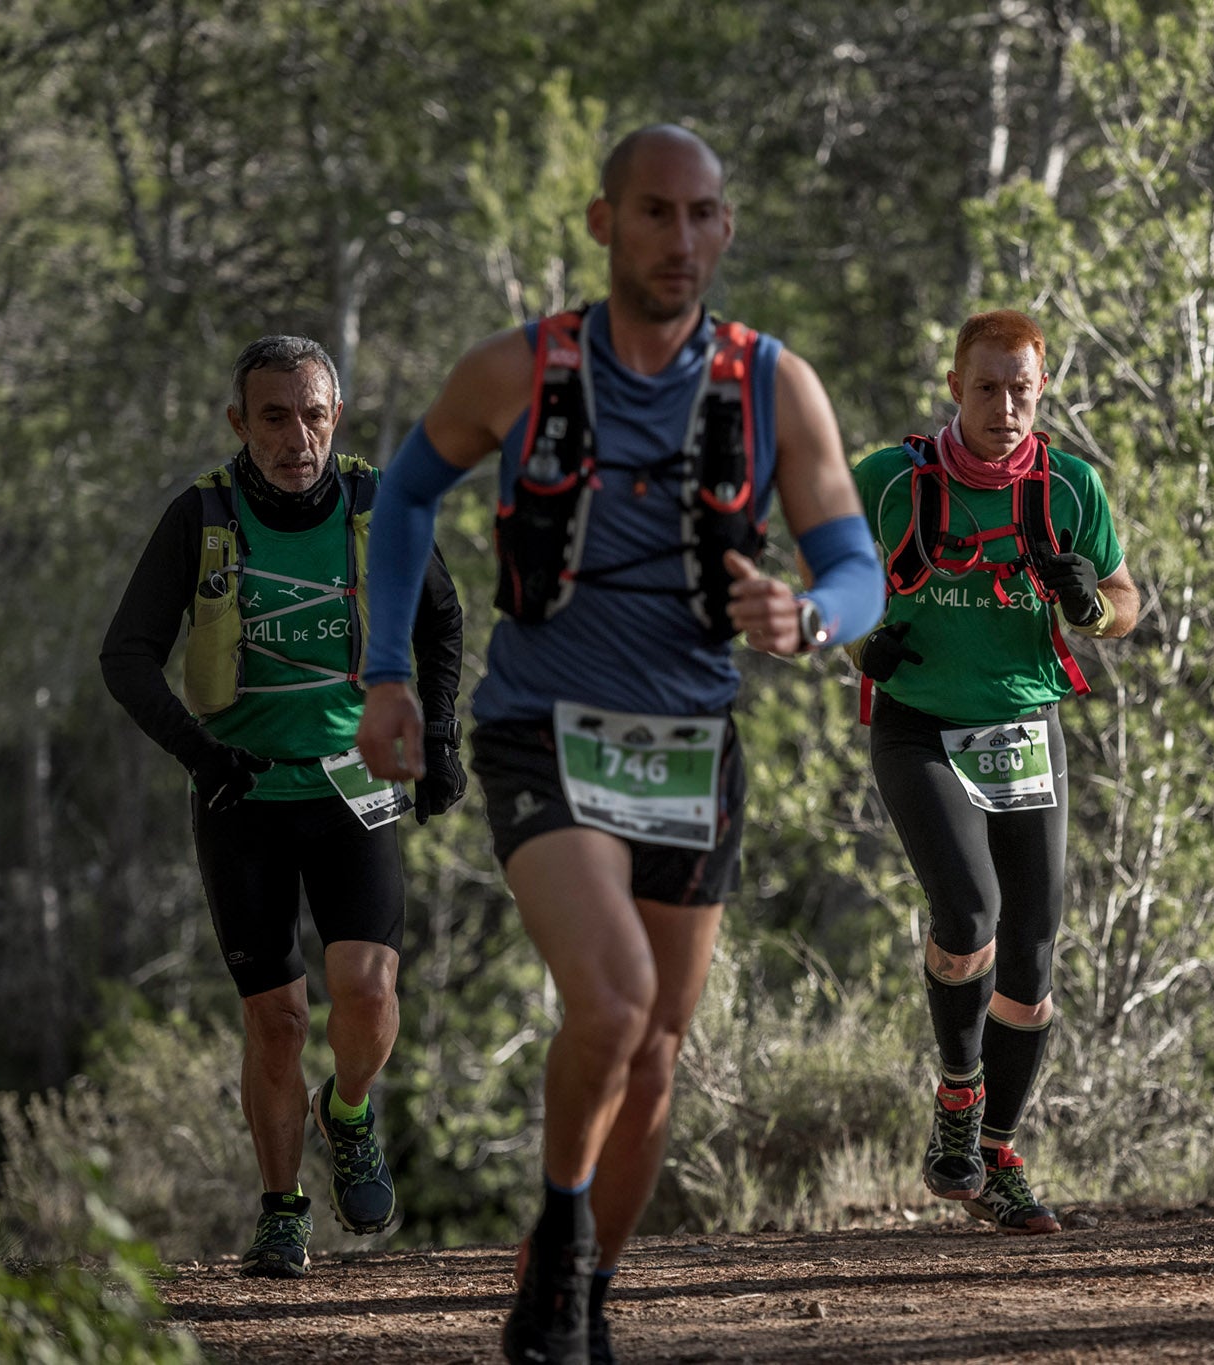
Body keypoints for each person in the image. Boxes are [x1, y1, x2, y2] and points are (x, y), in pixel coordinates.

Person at [354, 124, 883, 1364]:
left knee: (654, 1060)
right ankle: (558, 1234)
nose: (680, 241)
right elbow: (405, 496)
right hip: (541, 729)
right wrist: (387, 672)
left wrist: (805, 620)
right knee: (613, 999)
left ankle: (577, 1300)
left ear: (726, 228)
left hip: (690, 743)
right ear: (603, 225)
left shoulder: (770, 385)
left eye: (702, 216)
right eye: (654, 213)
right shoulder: (519, 371)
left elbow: (854, 564)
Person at [101, 334, 467, 1277]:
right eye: (273, 416)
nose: (294, 435)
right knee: (276, 1020)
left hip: (356, 786)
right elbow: (126, 654)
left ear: (334, 415)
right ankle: (281, 1209)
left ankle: (347, 1109)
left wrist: (445, 744)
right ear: (240, 423)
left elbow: (442, 615)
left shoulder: (378, 503)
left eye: (311, 413)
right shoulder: (202, 517)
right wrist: (200, 752)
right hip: (242, 795)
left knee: (371, 992)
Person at [850, 309, 1138, 1235]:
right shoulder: (890, 481)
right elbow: (822, 571)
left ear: (1041, 388)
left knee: (1034, 954)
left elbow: (1128, 603)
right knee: (968, 911)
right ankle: (959, 1099)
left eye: (1022, 387)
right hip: (921, 725)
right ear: (954, 388)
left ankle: (997, 1152)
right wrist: (859, 633)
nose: (1005, 405)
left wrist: (1088, 602)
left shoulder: (1069, 487)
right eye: (987, 387)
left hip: (1024, 723)